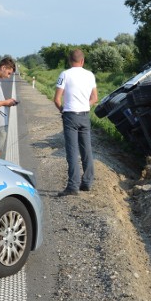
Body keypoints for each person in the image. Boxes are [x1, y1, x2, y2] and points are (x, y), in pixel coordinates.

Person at [53, 49, 97, 196]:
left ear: (69, 61)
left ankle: (73, 186)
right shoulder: (90, 75)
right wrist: (86, 106)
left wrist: (62, 111)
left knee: (72, 150)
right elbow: (94, 98)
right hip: (84, 115)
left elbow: (57, 99)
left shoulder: (65, 74)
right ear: (82, 61)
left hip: (70, 115)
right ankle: (88, 182)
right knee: (86, 149)